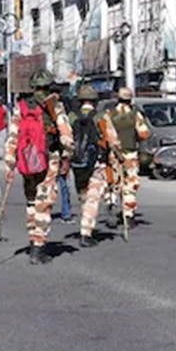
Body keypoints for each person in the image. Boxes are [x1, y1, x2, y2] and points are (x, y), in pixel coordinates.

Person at [4, 70, 74, 265]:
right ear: (49, 85)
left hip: (27, 158)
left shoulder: (21, 106)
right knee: (44, 200)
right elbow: (66, 133)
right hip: (48, 158)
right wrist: (67, 157)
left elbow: (12, 135)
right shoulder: (54, 105)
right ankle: (38, 246)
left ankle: (32, 237)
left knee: (31, 201)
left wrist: (10, 162)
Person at [72, 85, 122, 247]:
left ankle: (84, 222)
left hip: (77, 162)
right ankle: (86, 232)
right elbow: (112, 140)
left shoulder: (72, 116)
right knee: (93, 198)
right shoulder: (101, 116)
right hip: (96, 162)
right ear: (95, 100)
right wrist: (119, 157)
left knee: (83, 196)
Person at [107, 86, 152, 227]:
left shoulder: (109, 114)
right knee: (130, 185)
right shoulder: (135, 115)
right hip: (130, 155)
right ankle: (128, 215)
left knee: (114, 183)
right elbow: (145, 134)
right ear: (130, 99)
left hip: (113, 155)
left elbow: (106, 135)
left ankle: (112, 205)